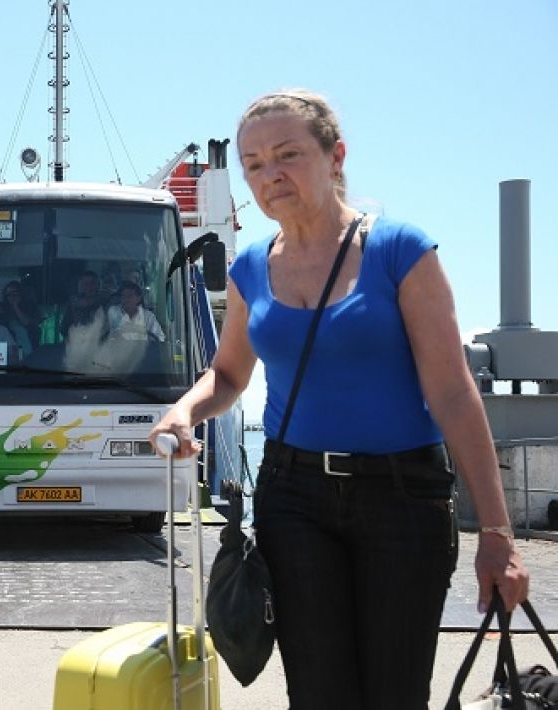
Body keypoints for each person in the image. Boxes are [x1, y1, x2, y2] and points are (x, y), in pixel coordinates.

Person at [149, 89, 529, 709]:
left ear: (334, 156)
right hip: (293, 497)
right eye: (253, 164)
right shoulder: (250, 267)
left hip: (404, 497)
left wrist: (497, 532)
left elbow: (455, 394)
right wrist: (185, 408)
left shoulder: (400, 251)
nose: (270, 175)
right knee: (318, 693)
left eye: (288, 155)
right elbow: (227, 375)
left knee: (394, 692)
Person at [0, 280, 39, 359]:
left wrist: (16, 306)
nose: (12, 296)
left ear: (21, 293)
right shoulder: (1, 312)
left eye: (15, 293)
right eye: (9, 294)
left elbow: (26, 322)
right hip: (8, 352)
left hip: (29, 351)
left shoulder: (31, 308)